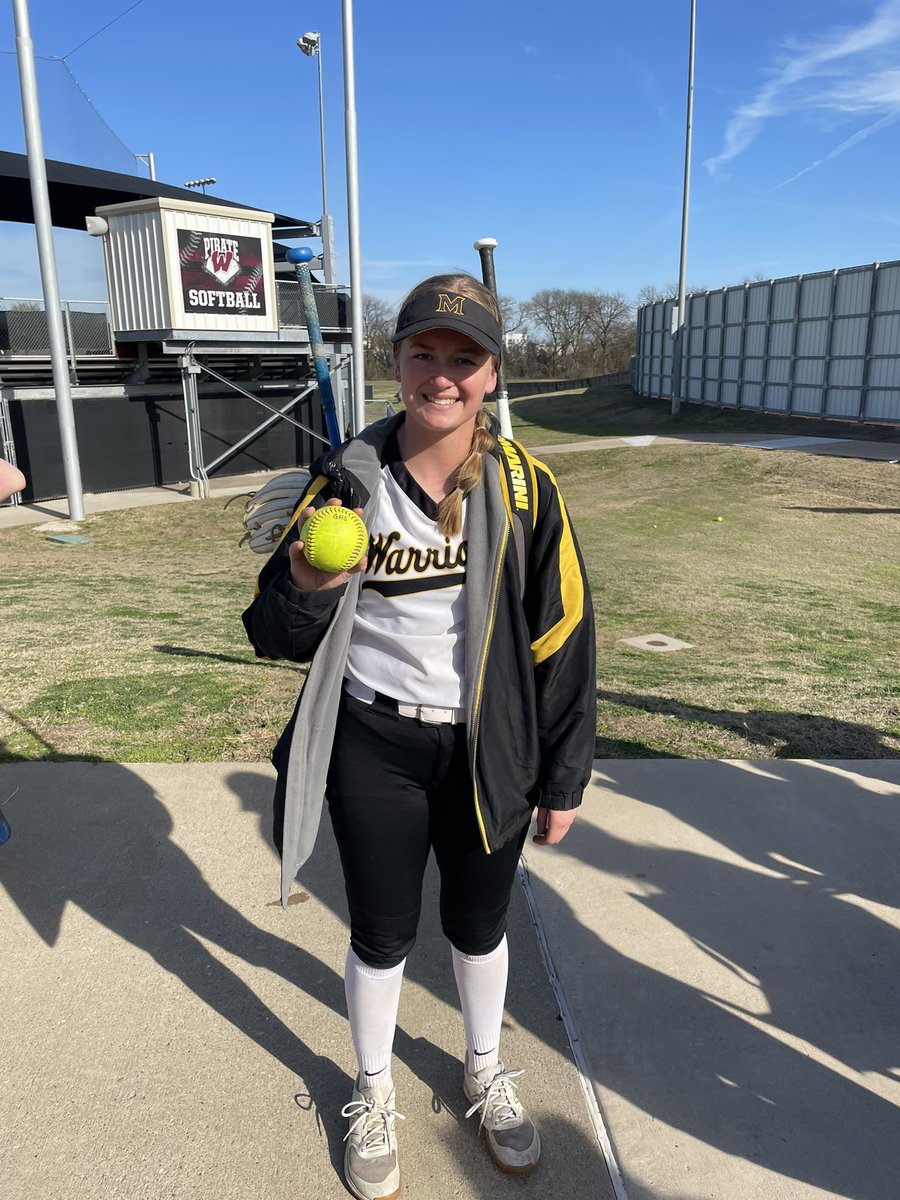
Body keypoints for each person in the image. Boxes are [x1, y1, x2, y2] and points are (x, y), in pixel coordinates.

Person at [243, 273, 596, 1199]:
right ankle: (372, 1087)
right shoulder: (345, 481)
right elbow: (270, 636)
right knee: (381, 932)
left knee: (479, 928)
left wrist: (564, 777)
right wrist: (306, 586)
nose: (443, 375)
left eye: (464, 358)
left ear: (491, 375)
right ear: (395, 363)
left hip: (489, 748)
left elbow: (563, 638)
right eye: (423, 354)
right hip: (374, 742)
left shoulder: (527, 488)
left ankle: (482, 1067)